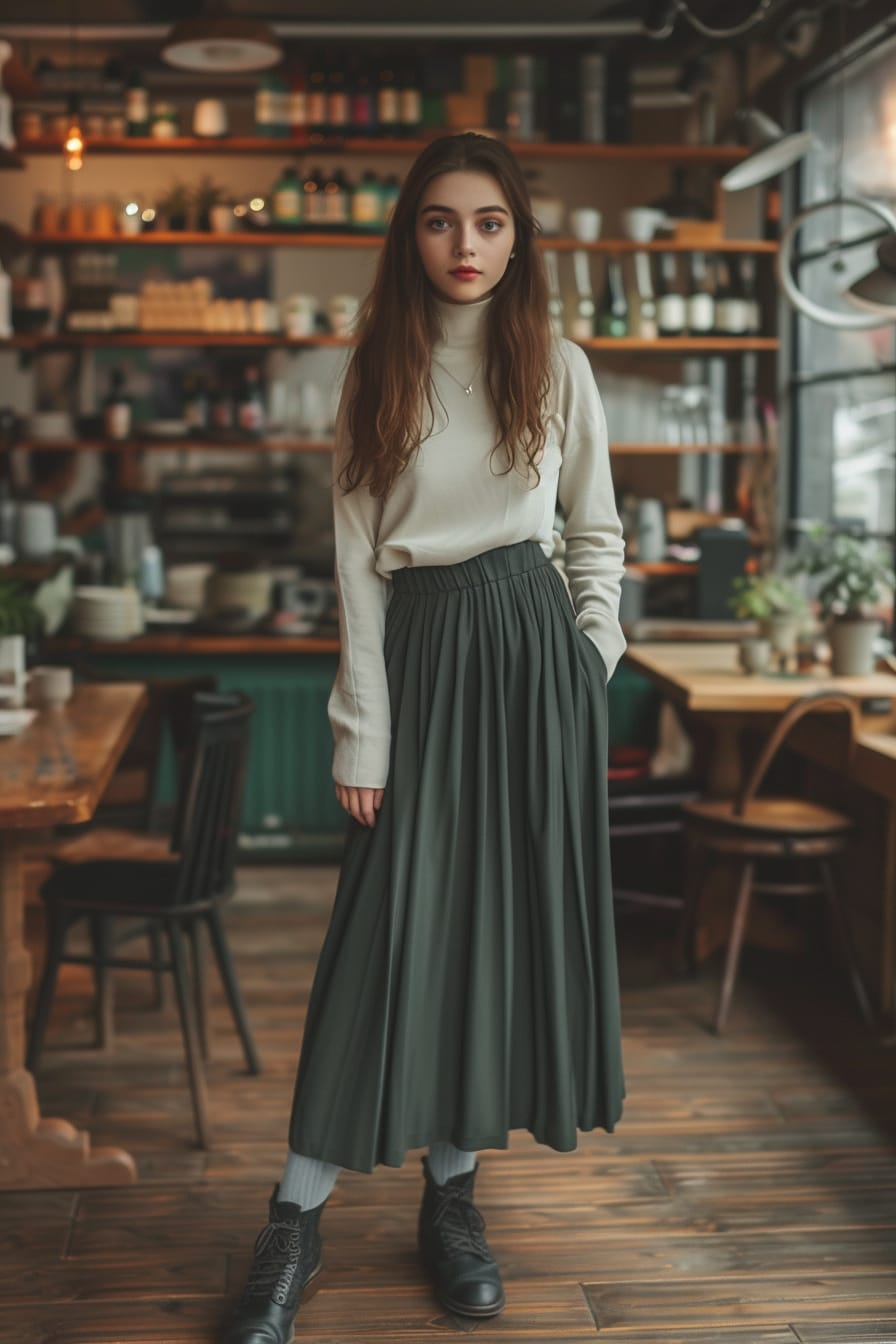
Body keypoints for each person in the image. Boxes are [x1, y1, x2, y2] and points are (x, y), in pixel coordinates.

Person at [224, 131, 626, 1344]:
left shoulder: (556, 364)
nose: (467, 245)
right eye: (443, 221)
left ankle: (451, 1199)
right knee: (385, 945)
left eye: (490, 223)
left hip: (532, 662)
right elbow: (359, 577)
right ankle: (292, 1223)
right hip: (425, 661)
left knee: (493, 942)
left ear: (519, 236)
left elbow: (594, 533)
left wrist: (587, 656)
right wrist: (363, 738)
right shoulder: (375, 373)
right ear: (410, 234)